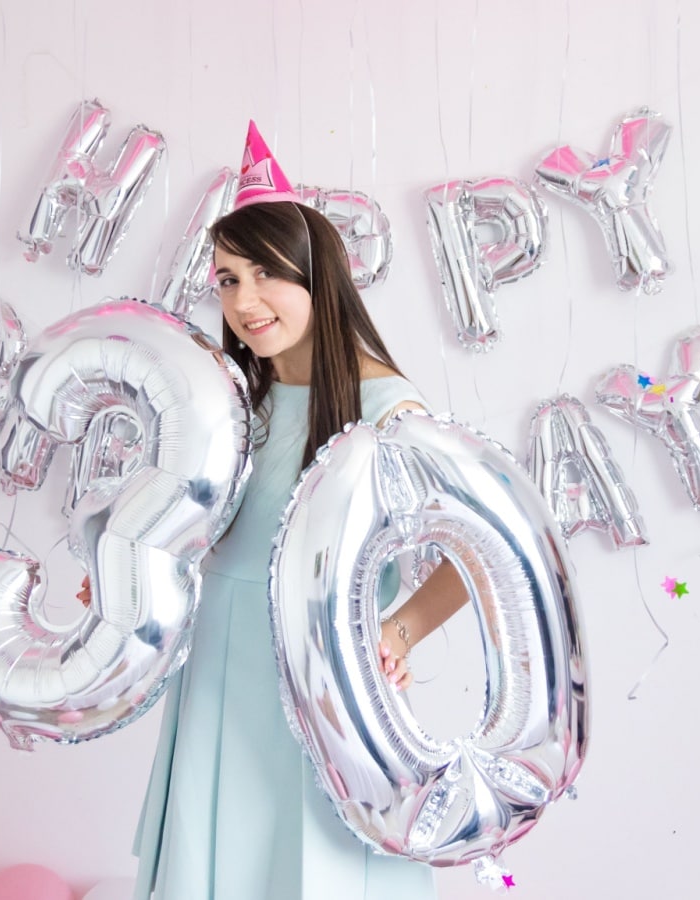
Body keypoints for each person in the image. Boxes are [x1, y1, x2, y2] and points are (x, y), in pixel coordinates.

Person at [82, 122, 469, 900]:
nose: (245, 301)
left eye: (265, 274)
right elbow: (203, 537)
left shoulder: (387, 407)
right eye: (226, 279)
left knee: (309, 871)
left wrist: (399, 629)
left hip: (317, 683)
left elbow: (474, 554)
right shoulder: (231, 404)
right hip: (219, 675)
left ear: (317, 277)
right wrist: (132, 579)